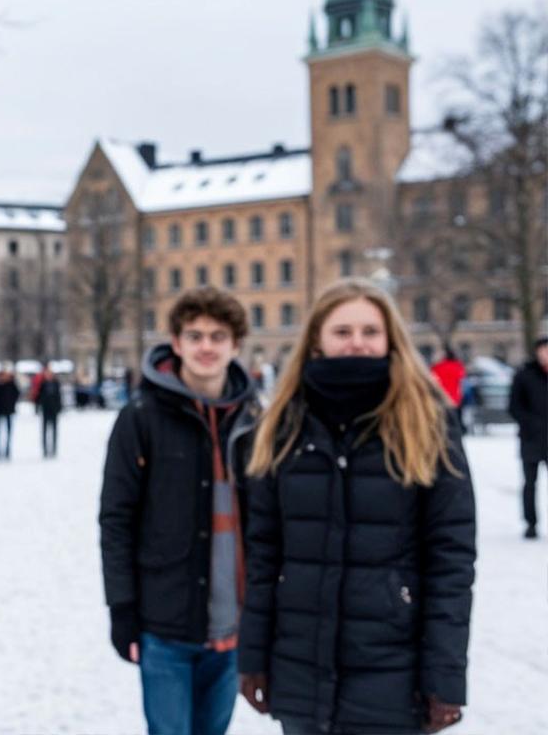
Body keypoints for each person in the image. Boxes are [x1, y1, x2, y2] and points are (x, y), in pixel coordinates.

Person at [238, 279, 475, 735]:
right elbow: (265, 553)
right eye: (342, 331)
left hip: (392, 671)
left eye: (370, 331)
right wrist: (253, 657)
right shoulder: (282, 424)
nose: (358, 343)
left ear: (390, 339)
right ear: (317, 341)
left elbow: (451, 559)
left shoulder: (427, 421)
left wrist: (444, 676)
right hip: (300, 666)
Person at [99, 287, 259, 735]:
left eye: (218, 335)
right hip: (164, 621)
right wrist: (122, 607)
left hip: (232, 625)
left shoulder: (254, 419)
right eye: (195, 335)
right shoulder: (141, 417)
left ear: (236, 344)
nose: (206, 346)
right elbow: (116, 519)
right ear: (176, 342)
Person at [509, 336, 548, 539]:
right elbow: (514, 406)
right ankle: (530, 523)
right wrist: (530, 423)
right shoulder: (525, 375)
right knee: (530, 483)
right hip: (531, 438)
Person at [431, 347, 467, 427]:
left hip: (442, 398)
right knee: (456, 423)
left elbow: (432, 380)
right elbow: (462, 380)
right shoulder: (458, 366)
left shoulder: (438, 367)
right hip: (455, 399)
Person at [0, 364, 19, 460]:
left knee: (8, 431)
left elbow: (16, 394)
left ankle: (7, 450)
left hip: (8, 410)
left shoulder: (11, 383)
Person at [35, 365, 63, 458]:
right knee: (45, 431)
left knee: (54, 431)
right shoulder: (43, 384)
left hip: (54, 410)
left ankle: (54, 449)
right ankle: (45, 450)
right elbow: (38, 397)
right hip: (45, 410)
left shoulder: (56, 383)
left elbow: (59, 397)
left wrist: (59, 408)